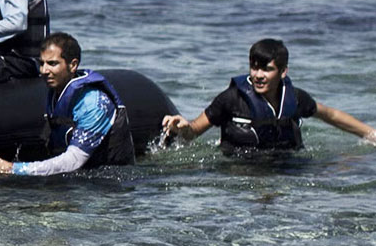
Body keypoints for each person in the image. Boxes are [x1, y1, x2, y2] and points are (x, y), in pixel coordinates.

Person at [161, 38, 376, 154]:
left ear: (283, 72)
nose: (258, 75)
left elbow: (331, 115)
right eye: (254, 68)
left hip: (286, 167)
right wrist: (182, 127)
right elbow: (194, 132)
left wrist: (371, 134)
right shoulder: (231, 98)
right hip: (240, 170)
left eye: (266, 69)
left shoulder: (295, 98)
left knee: (349, 163)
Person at [0, 33, 136, 176]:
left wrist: (14, 169)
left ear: (73, 65)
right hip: (80, 178)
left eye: (52, 64)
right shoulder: (55, 93)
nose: (44, 70)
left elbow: (73, 161)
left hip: (110, 187)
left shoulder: (93, 103)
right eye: (42, 63)